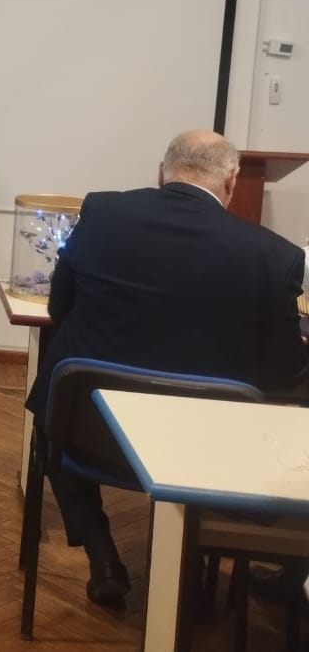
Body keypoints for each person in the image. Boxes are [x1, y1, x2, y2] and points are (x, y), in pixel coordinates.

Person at [24, 129, 308, 608]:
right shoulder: (274, 257)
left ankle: (102, 556)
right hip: (204, 443)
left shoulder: (101, 212)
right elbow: (284, 375)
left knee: (51, 416)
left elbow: (59, 308)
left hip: (94, 427)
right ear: (232, 181)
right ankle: (209, 565)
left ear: (162, 172)